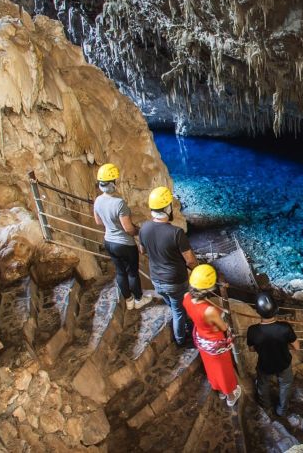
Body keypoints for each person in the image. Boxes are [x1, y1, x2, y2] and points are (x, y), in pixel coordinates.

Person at [138, 186, 198, 347]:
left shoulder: (144, 228)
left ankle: (183, 324)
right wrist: (197, 270)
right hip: (175, 281)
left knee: (173, 305)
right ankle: (181, 340)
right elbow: (190, 260)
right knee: (178, 310)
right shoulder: (176, 233)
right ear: (167, 208)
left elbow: (142, 251)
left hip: (156, 280)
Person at [93, 163, 152, 311]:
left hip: (109, 241)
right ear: (113, 183)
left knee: (120, 272)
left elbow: (98, 221)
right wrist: (139, 231)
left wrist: (111, 225)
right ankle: (139, 299)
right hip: (124, 244)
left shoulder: (98, 200)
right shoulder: (119, 203)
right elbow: (128, 229)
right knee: (132, 273)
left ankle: (129, 300)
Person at [183, 264, 242, 406]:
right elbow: (222, 327)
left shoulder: (186, 297)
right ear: (209, 289)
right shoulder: (209, 310)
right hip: (215, 343)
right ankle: (230, 395)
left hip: (201, 339)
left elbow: (196, 315)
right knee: (224, 370)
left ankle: (220, 391)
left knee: (211, 367)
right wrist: (224, 323)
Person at [246, 293, 299, 416]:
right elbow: (297, 347)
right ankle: (282, 410)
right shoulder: (285, 327)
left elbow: (251, 349)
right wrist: (282, 345)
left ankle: (267, 406)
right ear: (276, 310)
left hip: (264, 363)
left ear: (258, 312)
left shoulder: (252, 330)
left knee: (263, 385)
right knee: (285, 385)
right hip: (283, 362)